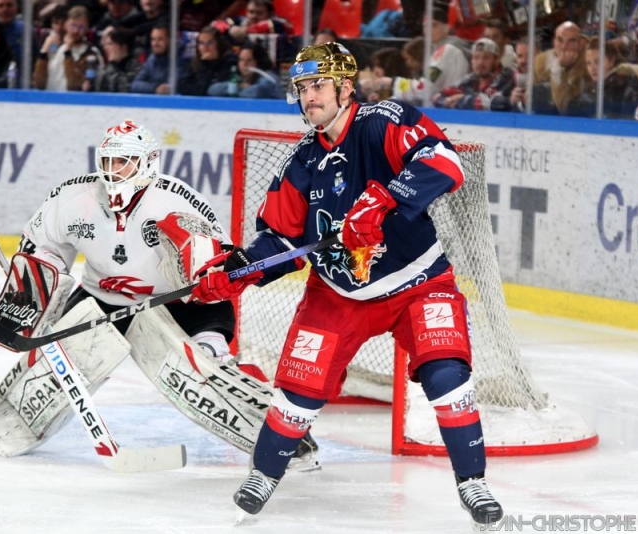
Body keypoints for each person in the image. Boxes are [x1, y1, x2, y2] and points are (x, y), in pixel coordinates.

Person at [191, 42, 504, 526]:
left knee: (446, 375)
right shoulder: (301, 163)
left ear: (345, 86)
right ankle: (263, 474)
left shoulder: (384, 120)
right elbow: (279, 239)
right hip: (338, 294)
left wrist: (383, 200)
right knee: (298, 390)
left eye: (318, 85)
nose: (308, 97)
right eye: (301, 89)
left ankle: (473, 483)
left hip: (418, 280)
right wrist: (240, 271)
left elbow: (444, 162)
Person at [0, 119, 321, 470]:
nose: (113, 170)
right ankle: (7, 428)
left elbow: (216, 269)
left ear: (148, 162)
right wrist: (33, 291)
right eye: (107, 161)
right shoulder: (72, 198)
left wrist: (200, 263)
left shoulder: (176, 201)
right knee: (52, 375)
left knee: (205, 372)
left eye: (123, 161)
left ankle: (287, 440)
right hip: (99, 299)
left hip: (180, 303)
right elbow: (43, 251)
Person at [33, 5, 103, 91]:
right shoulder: (55, 48)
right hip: (48, 100)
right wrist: (43, 52)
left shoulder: (91, 53)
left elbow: (74, 85)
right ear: (65, 24)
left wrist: (68, 52)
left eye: (81, 27)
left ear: (87, 29)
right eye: (73, 25)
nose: (76, 31)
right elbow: (39, 83)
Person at [434, 37, 514, 110]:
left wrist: (461, 98)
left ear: (496, 60)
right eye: (476, 58)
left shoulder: (506, 77)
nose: (480, 62)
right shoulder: (470, 79)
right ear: (471, 61)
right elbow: (436, 97)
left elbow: (493, 102)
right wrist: (446, 101)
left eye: (486, 58)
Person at [531, 21, 588, 115]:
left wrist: (558, 70)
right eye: (560, 40)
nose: (564, 47)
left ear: (580, 43)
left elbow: (566, 108)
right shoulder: (540, 61)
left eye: (571, 41)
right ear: (554, 41)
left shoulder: (591, 61)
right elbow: (530, 97)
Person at [207, 40, 282, 98]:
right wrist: (239, 86)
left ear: (258, 62)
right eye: (241, 60)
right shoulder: (240, 78)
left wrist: (234, 89)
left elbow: (256, 92)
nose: (244, 64)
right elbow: (212, 90)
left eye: (249, 60)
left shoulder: (269, 77)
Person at [177, 25, 236, 95]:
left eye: (210, 43)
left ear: (219, 44)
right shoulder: (193, 63)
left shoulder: (230, 62)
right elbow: (182, 87)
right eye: (201, 43)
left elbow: (217, 89)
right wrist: (205, 64)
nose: (205, 48)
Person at [129, 22, 172, 94]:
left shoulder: (179, 59)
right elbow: (135, 85)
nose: (155, 43)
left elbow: (176, 86)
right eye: (153, 39)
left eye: (160, 39)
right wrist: (155, 88)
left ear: (169, 40)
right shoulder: (151, 59)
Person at [99, 26, 141, 92]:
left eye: (110, 44)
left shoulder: (136, 69)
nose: (105, 48)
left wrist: (113, 65)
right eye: (105, 44)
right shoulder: (107, 67)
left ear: (123, 47)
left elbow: (124, 90)